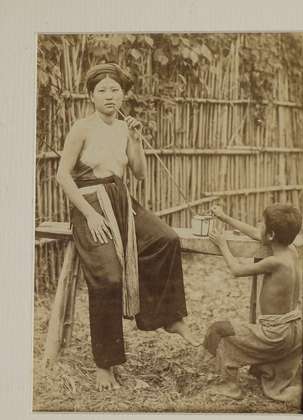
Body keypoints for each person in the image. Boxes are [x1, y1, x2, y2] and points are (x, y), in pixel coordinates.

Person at [56, 62, 199, 392]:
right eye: (102, 90)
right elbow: (63, 175)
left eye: (115, 89)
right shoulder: (82, 128)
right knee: (108, 277)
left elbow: (139, 173)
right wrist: (90, 216)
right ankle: (105, 364)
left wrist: (135, 139)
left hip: (122, 200)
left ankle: (168, 317)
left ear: (123, 95)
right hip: (90, 203)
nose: (109, 95)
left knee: (166, 239)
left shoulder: (124, 128)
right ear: (91, 95)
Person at [204, 203, 303, 402]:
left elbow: (236, 270)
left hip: (276, 335)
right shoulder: (291, 250)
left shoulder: (274, 262)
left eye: (262, 223)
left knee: (219, 331)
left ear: (272, 235)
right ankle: (267, 365)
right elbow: (258, 234)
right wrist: (225, 217)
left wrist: (222, 244)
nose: (259, 226)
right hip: (296, 332)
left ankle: (230, 386)